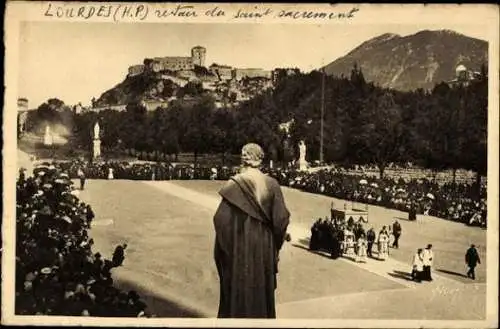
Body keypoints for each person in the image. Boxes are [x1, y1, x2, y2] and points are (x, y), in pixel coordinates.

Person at [213, 143, 290, 318]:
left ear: (243, 158)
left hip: (239, 246)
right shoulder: (271, 184)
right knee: (261, 292)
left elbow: (220, 220)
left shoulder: (234, 184)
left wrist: (228, 248)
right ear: (260, 159)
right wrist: (275, 245)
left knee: (238, 290)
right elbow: (281, 221)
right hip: (263, 245)